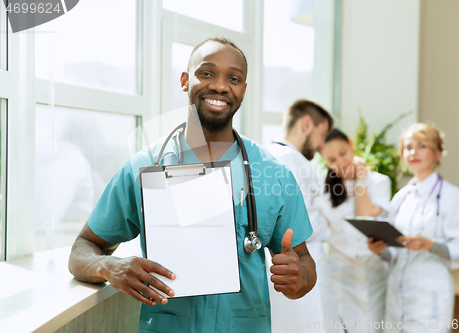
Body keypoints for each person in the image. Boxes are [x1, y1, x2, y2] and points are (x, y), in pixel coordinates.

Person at [68, 37, 317, 333]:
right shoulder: (144, 168)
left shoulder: (274, 174)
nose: (220, 86)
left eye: (233, 78)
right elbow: (82, 249)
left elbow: (303, 262)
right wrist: (110, 267)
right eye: (207, 73)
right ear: (185, 80)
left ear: (243, 91)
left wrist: (298, 276)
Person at [368, 123, 459, 333]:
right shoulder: (400, 198)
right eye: (408, 147)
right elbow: (396, 254)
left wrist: (428, 244)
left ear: (438, 153)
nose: (413, 152)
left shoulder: (453, 197)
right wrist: (381, 250)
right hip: (397, 293)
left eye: (421, 146)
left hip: (430, 295)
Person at [265, 99, 340, 333]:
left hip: (283, 266)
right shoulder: (292, 159)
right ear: (307, 124)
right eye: (322, 134)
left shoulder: (267, 155)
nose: (321, 146)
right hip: (304, 262)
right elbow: (302, 222)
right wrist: (330, 226)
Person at [315, 128, 392, 333]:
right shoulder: (321, 187)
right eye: (331, 160)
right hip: (340, 276)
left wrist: (360, 179)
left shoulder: (378, 182)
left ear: (351, 145)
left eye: (343, 153)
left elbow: (365, 215)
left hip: (372, 273)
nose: (340, 163)